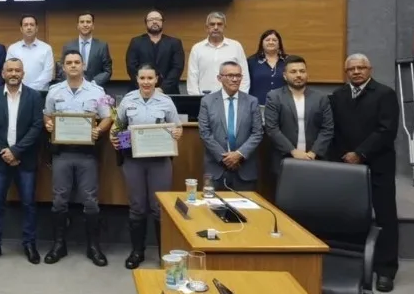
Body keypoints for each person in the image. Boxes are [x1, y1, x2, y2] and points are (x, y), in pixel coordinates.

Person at [330, 53, 400, 292]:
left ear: (370, 69)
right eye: (352, 69)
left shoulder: (385, 94)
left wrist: (360, 153)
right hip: (346, 167)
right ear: (346, 71)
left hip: (377, 164)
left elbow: (386, 130)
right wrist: (344, 156)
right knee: (347, 215)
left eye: (361, 68)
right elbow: (333, 131)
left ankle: (386, 270)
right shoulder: (337, 96)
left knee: (385, 217)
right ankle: (351, 263)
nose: (357, 72)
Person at [43, 50, 112, 266]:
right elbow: (47, 114)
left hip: (86, 155)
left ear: (83, 66)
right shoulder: (54, 91)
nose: (73, 66)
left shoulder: (96, 91)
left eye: (77, 62)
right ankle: (59, 245)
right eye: (69, 63)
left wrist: (99, 130)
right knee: (59, 200)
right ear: (63, 67)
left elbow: (108, 117)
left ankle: (93, 247)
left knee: (90, 201)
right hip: (62, 153)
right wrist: (48, 124)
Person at [111, 64, 183, 269]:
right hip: (134, 161)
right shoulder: (127, 101)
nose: (146, 82)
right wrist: (117, 140)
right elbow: (118, 128)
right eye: (142, 78)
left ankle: (164, 253)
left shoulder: (166, 102)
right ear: (137, 79)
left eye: (150, 78)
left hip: (159, 162)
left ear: (156, 79)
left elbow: (177, 128)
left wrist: (178, 133)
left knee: (159, 208)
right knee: (137, 207)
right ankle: (137, 252)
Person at [0, 58, 44, 265]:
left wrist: (16, 151)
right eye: (10, 70)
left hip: (25, 160)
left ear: (23, 74)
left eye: (17, 70)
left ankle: (29, 244)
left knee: (28, 204)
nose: (14, 73)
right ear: (3, 73)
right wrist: (4, 151)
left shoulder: (34, 96)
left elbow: (37, 127)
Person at [197, 61, 263, 191]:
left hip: (244, 168)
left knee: (245, 211)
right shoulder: (207, 101)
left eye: (238, 76)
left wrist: (239, 154)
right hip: (216, 168)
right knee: (214, 210)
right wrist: (226, 158)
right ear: (219, 78)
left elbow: (257, 132)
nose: (235, 79)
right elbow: (205, 133)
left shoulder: (252, 101)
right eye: (230, 75)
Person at [263, 55, 334, 175]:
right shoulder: (274, 97)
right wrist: (293, 152)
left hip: (315, 159)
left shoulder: (321, 98)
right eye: (293, 71)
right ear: (285, 76)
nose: (298, 75)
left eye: (302, 71)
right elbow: (272, 129)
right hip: (284, 159)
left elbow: (327, 128)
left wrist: (313, 153)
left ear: (307, 74)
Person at [186, 12, 250, 95]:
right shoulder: (197, 48)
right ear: (207, 27)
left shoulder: (236, 46)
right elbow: (192, 78)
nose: (216, 27)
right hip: (204, 98)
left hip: (231, 99)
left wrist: (241, 97)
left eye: (219, 24)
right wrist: (196, 100)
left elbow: (244, 75)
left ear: (224, 27)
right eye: (212, 24)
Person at [125, 10, 184, 95]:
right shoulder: (136, 42)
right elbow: (131, 67)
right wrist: (145, 86)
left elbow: (177, 68)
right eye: (151, 19)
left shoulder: (175, 43)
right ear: (146, 23)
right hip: (140, 91)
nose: (154, 22)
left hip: (168, 92)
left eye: (157, 19)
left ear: (162, 22)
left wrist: (162, 89)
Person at [57, 12, 113, 87]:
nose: (85, 25)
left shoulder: (102, 46)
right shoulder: (68, 46)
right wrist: (73, 81)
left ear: (93, 26)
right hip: (72, 87)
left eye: (88, 22)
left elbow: (107, 71)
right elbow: (62, 69)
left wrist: (93, 84)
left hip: (95, 88)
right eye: (82, 22)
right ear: (78, 26)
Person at [6, 14, 54, 93]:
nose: (29, 27)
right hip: (17, 92)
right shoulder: (13, 49)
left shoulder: (46, 48)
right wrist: (22, 89)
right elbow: (10, 71)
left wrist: (29, 89)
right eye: (25, 25)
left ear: (36, 28)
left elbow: (48, 74)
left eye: (32, 25)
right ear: (21, 29)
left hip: (40, 93)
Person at [247, 29, 287, 106]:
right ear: (262, 43)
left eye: (274, 40)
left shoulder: (287, 61)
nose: (271, 42)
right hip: (257, 105)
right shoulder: (251, 61)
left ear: (279, 44)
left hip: (283, 105)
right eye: (267, 40)